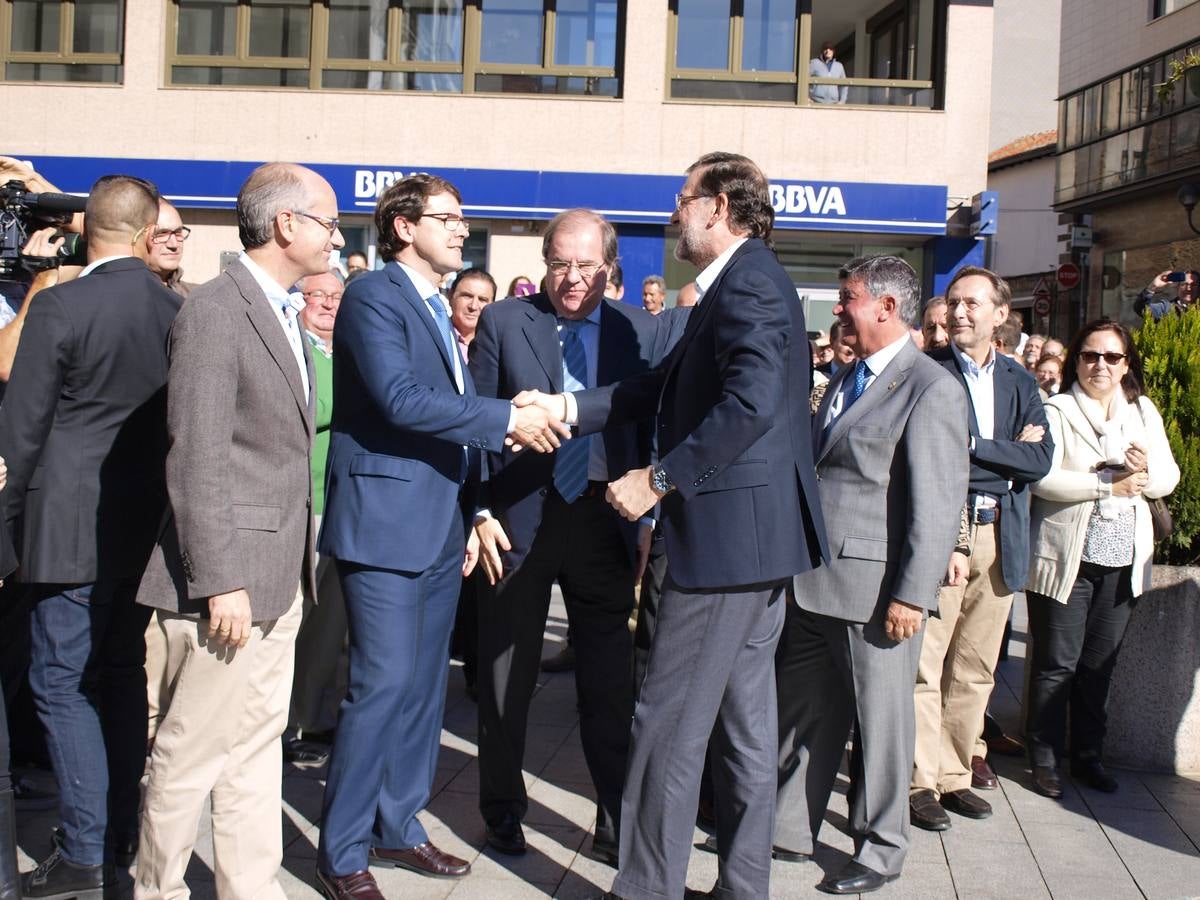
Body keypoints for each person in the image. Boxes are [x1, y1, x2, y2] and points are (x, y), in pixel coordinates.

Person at [526, 151, 828, 900]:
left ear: (719, 206)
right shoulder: (739, 282)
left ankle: (645, 889)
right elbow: (658, 386)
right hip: (753, 543)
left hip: (725, 545)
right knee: (744, 730)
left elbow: (751, 402)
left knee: (664, 724)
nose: (673, 212)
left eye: (683, 198)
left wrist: (658, 479)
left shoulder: (750, 280)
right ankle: (742, 886)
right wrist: (567, 408)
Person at [315, 174, 566, 899]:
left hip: (439, 524)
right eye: (447, 219)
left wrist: (478, 507)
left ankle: (399, 827)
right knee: (382, 685)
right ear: (402, 226)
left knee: (424, 690)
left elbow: (450, 415)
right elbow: (399, 400)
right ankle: (342, 851)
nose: (461, 229)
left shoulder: (435, 307)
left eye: (462, 219)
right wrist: (504, 420)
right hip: (385, 528)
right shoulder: (374, 295)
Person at [133, 163, 343, 900]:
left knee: (255, 754)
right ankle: (156, 889)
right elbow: (195, 453)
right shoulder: (218, 310)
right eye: (329, 220)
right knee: (188, 754)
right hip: (225, 586)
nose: (336, 236)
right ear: (287, 224)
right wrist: (219, 578)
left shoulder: (282, 309)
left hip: (279, 578)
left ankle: (250, 889)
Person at [470, 208, 668, 866]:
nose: (573, 277)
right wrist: (478, 510)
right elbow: (474, 423)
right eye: (560, 263)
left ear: (609, 266)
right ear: (545, 260)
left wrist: (645, 519)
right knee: (505, 676)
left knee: (610, 685)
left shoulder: (637, 332)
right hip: (518, 516)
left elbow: (648, 433)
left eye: (586, 265)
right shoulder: (503, 322)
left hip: (603, 516)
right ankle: (501, 813)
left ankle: (616, 819)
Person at [0, 175, 180, 900]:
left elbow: (22, 427)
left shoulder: (62, 303)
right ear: (143, 236)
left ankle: (80, 855)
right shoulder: (175, 309)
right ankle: (114, 838)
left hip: (65, 527)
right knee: (117, 675)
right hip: (139, 528)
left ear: (85, 233)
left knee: (57, 681)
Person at [773, 256, 967, 894]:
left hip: (877, 596)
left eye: (847, 297)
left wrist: (912, 593)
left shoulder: (930, 388)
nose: (837, 309)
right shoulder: (847, 377)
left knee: (882, 728)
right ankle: (788, 830)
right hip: (815, 583)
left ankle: (880, 849)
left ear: (886, 307)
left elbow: (937, 503)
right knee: (805, 715)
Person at [909, 266, 1052, 832]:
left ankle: (953, 775)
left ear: (1000, 314)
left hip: (1002, 535)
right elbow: (937, 455)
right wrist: (999, 454)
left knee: (974, 668)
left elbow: (1041, 461)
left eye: (973, 303)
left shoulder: (1021, 381)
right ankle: (919, 781)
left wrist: (973, 448)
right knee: (927, 663)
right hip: (949, 532)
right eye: (953, 301)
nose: (959, 312)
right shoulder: (929, 372)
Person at [1024, 319, 1178, 799]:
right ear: (1077, 359)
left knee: (1099, 667)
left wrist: (1142, 469)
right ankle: (1045, 758)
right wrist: (1103, 485)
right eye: (1091, 355)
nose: (1101, 366)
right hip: (1068, 557)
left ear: (1126, 363)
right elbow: (1042, 479)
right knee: (1057, 664)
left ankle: (1089, 755)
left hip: (1123, 559)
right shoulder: (1058, 409)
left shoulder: (1142, 411)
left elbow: (1166, 480)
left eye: (1112, 357)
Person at [285, 268, 348, 769]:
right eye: (316, 295)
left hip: (345, 504)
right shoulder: (294, 345)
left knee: (330, 624)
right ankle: (284, 723)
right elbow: (317, 408)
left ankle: (313, 716)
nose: (328, 304)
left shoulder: (345, 348)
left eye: (335, 295)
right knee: (296, 619)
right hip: (306, 504)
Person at [145, 200, 197, 296]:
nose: (173, 245)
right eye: (162, 234)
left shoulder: (197, 297)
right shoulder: (125, 295)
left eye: (178, 233)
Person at [449, 267, 497, 360]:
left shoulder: (497, 345)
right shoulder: (434, 336)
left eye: (482, 299)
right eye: (467, 296)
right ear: (451, 296)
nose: (473, 306)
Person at [1134, 269, 1198, 321]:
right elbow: (1142, 309)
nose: (1189, 289)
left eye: (1194, 285)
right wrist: (1153, 286)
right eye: (1184, 284)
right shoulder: (1167, 308)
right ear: (1177, 287)